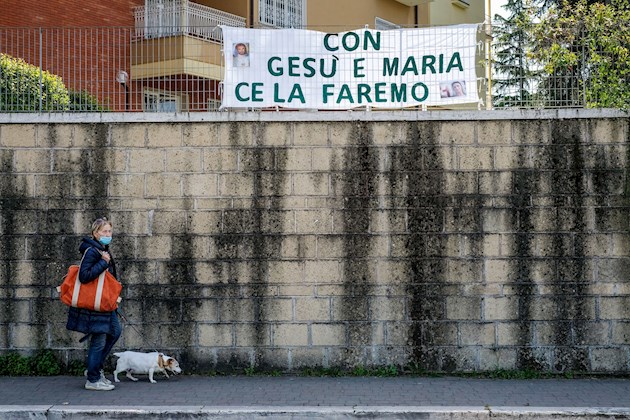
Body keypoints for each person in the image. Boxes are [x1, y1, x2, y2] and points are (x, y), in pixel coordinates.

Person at [66, 217, 121, 391]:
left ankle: (94, 369)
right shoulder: (92, 251)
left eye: (109, 231)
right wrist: (104, 263)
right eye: (104, 231)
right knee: (99, 340)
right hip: (95, 306)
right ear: (95, 233)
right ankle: (93, 379)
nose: (107, 234)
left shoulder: (102, 249)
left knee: (115, 331)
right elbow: (84, 276)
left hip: (105, 304)